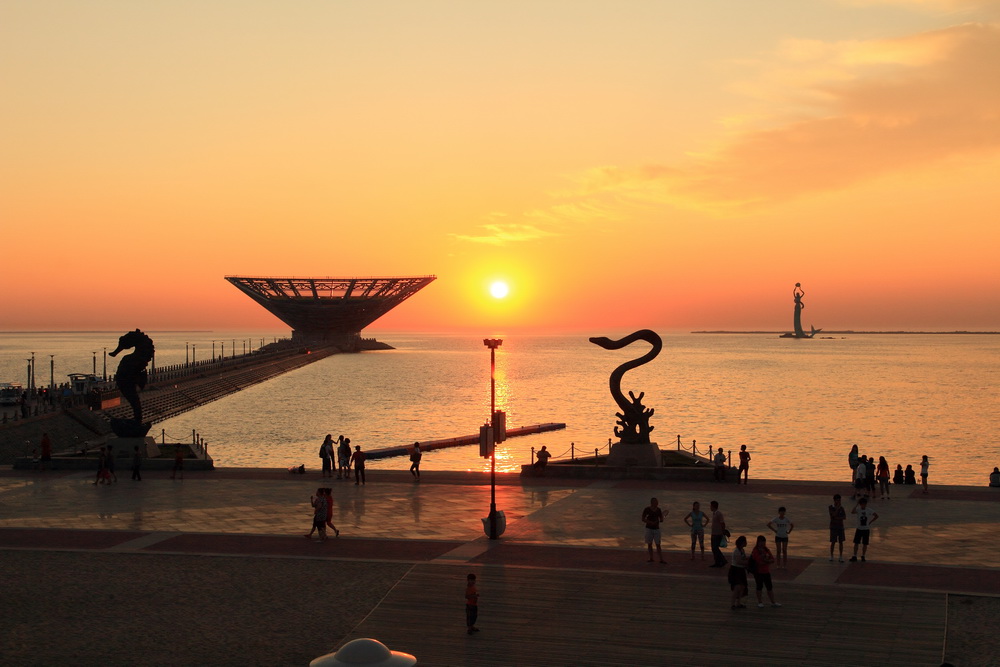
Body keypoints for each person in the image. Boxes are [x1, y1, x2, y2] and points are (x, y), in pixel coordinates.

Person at [750, 535, 781, 608]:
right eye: (761, 542)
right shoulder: (755, 551)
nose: (763, 544)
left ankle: (773, 602)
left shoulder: (766, 550)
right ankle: (760, 602)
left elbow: (772, 559)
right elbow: (759, 562)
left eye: (764, 542)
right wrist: (767, 561)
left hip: (766, 571)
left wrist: (766, 561)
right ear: (758, 542)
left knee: (769, 587)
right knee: (759, 586)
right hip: (758, 571)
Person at [850, 497, 878, 562]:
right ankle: (854, 555)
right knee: (856, 542)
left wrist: (870, 522)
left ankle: (863, 555)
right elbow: (852, 512)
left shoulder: (869, 510)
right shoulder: (858, 509)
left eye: (864, 504)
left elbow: (876, 515)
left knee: (865, 543)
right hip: (859, 528)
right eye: (862, 504)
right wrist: (856, 504)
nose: (863, 505)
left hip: (866, 529)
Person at [641, 498, 667, 564]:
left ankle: (661, 559)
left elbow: (661, 519)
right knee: (649, 544)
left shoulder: (659, 510)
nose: (657, 503)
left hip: (656, 529)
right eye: (656, 502)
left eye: (657, 502)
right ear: (652, 503)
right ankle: (651, 558)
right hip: (648, 529)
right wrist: (650, 522)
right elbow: (643, 519)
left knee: (658, 544)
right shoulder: (647, 509)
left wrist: (661, 519)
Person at [728, 535, 749, 610]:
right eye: (745, 542)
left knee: (742, 587)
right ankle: (733, 604)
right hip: (735, 570)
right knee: (736, 588)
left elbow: (743, 558)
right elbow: (738, 561)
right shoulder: (736, 551)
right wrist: (748, 563)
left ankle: (738, 603)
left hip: (741, 570)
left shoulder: (742, 550)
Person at [709, 500, 728, 567]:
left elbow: (722, 523)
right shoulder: (714, 513)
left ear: (713, 506)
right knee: (714, 548)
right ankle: (718, 562)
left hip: (717, 534)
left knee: (715, 548)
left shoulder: (718, 513)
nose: (710, 507)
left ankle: (722, 560)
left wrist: (723, 531)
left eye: (710, 506)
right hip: (714, 533)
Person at [828, 494, 847, 562]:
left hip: (840, 526)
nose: (838, 501)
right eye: (837, 500)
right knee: (833, 541)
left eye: (839, 500)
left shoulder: (842, 508)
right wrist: (837, 509)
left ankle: (841, 556)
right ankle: (831, 555)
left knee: (841, 542)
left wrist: (838, 518)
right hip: (833, 527)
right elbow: (833, 515)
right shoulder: (831, 507)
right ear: (834, 500)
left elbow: (844, 517)